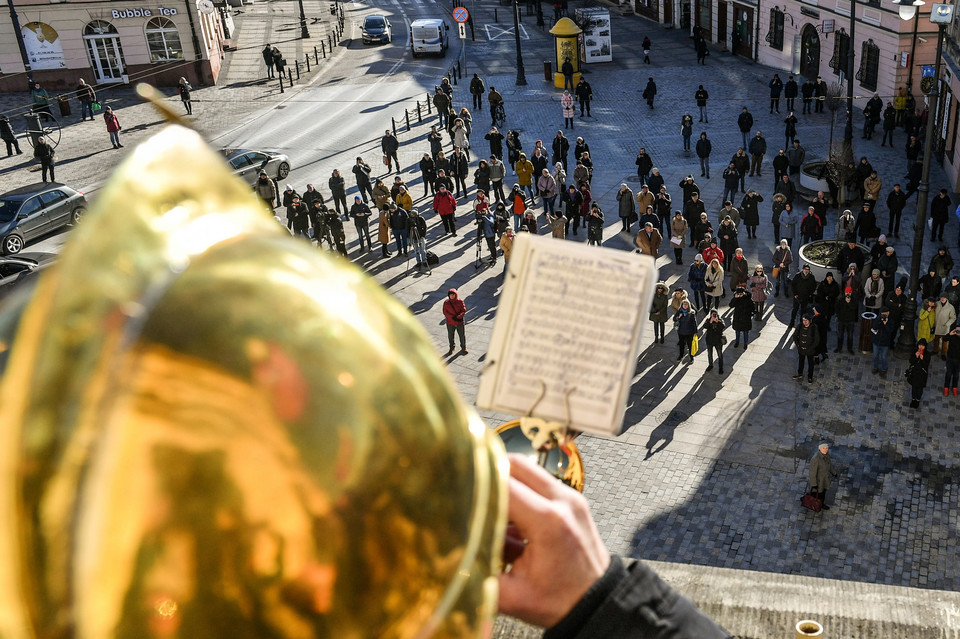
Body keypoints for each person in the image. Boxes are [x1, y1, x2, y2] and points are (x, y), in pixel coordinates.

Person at [808, 442, 838, 510]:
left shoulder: (826, 455)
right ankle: (819, 504)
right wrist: (814, 484)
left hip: (825, 479)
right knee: (819, 493)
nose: (825, 449)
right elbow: (812, 473)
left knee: (822, 492)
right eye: (823, 448)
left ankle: (820, 503)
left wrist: (834, 473)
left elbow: (829, 465)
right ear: (820, 449)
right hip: (819, 481)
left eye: (826, 448)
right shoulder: (815, 459)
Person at [793, 314, 820, 383]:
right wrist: (798, 344)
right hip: (801, 348)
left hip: (810, 350)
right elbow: (795, 335)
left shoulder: (814, 327)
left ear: (809, 321)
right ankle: (800, 373)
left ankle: (810, 376)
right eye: (803, 320)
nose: (804, 322)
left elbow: (817, 340)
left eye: (806, 320)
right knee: (801, 361)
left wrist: (811, 348)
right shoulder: (800, 326)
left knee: (810, 363)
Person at [442, 288, 467, 355]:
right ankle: (451, 348)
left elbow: (463, 310)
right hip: (450, 322)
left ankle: (463, 347)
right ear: (449, 295)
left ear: (456, 295)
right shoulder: (446, 303)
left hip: (459, 322)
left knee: (462, 336)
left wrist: (458, 317)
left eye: (453, 294)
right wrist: (452, 317)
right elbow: (445, 312)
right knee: (451, 336)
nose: (452, 296)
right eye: (451, 295)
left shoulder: (460, 301)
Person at [835, 289, 858, 354]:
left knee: (850, 336)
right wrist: (838, 316)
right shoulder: (841, 299)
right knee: (840, 335)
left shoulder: (854, 299)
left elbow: (855, 308)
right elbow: (838, 308)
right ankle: (839, 348)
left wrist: (849, 303)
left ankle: (849, 349)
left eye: (849, 292)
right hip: (841, 320)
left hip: (850, 320)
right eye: (846, 292)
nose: (848, 294)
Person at [703, 309, 726, 373]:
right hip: (710, 340)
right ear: (710, 315)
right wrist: (710, 322)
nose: (714, 315)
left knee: (720, 354)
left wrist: (717, 321)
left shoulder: (720, 320)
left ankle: (720, 367)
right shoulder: (708, 320)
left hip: (718, 341)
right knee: (709, 354)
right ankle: (710, 365)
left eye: (715, 314)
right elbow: (704, 326)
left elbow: (723, 326)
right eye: (713, 314)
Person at [944, 323, 960, 395]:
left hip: (959, 360)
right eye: (957, 330)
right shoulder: (952, 336)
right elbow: (944, 339)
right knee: (949, 373)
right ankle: (946, 388)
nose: (958, 332)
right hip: (950, 358)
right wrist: (949, 334)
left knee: (956, 375)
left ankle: (954, 387)